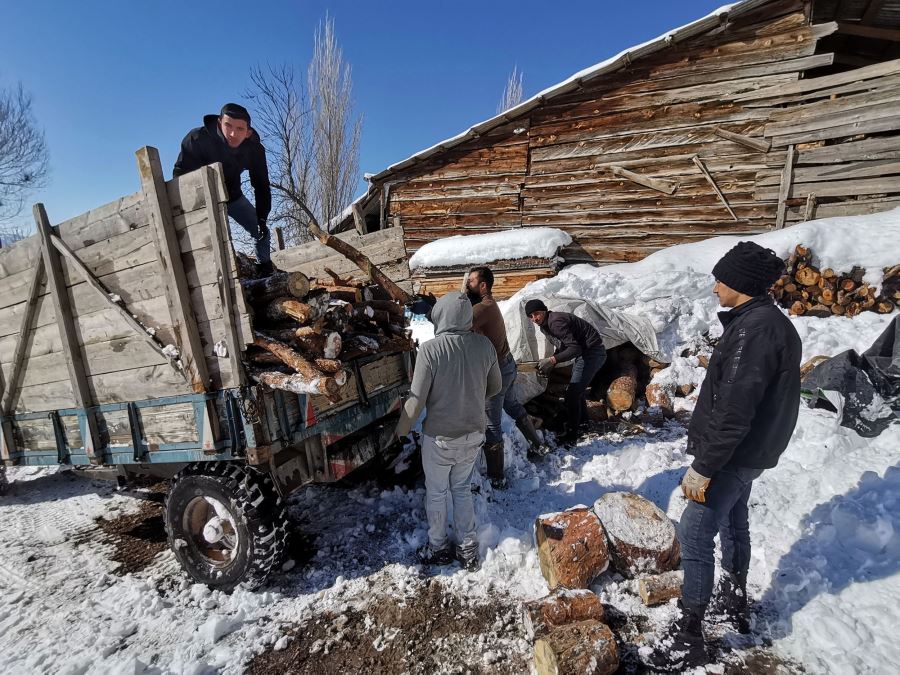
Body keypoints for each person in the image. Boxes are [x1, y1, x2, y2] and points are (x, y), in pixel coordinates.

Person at [647, 241, 801, 671]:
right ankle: (734, 600)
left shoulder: (755, 331)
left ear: (740, 283)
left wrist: (704, 466)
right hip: (750, 450)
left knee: (695, 531)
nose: (715, 287)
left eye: (720, 279)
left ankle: (689, 635)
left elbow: (734, 410)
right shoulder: (763, 323)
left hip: (734, 453)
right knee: (734, 521)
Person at [394, 292, 501, 571]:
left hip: (440, 439)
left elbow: (417, 399)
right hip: (473, 434)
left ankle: (438, 547)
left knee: (437, 493)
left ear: (440, 315)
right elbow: (495, 387)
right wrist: (471, 395)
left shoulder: (430, 350)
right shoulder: (484, 345)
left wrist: (401, 430)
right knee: (462, 490)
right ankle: (468, 548)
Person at [466, 267, 547, 486]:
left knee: (491, 424)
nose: (467, 284)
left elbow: (456, 325)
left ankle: (497, 478)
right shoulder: (488, 305)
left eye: (471, 281)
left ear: (483, 285)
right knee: (512, 405)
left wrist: (432, 311)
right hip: (507, 366)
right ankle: (539, 445)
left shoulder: (483, 307)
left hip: (497, 373)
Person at [173, 103, 274, 275]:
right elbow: (180, 177)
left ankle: (265, 270)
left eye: (240, 129)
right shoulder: (197, 139)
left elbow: (261, 185)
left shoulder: (254, 149)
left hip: (233, 196)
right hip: (202, 200)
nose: (233, 134)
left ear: (248, 132)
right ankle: (213, 273)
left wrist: (262, 217)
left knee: (261, 230)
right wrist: (192, 211)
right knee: (214, 239)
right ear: (220, 123)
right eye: (228, 125)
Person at [524, 299, 606, 446]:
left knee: (572, 394)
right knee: (576, 391)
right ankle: (583, 425)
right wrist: (552, 362)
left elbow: (575, 348)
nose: (534, 318)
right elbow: (563, 346)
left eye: (536, 314)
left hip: (592, 352)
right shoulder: (545, 325)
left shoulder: (555, 322)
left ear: (544, 310)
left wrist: (552, 360)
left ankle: (572, 434)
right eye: (530, 316)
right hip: (584, 354)